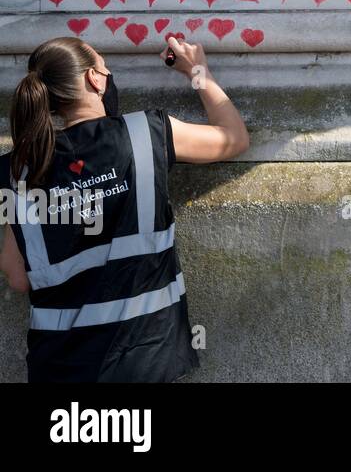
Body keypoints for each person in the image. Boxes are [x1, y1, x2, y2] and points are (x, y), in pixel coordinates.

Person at [0, 36, 249, 382]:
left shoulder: (20, 169)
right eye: (105, 66)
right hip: (145, 360)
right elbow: (234, 138)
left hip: (58, 368)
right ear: (94, 79)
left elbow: (16, 275)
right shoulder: (146, 133)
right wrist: (197, 71)